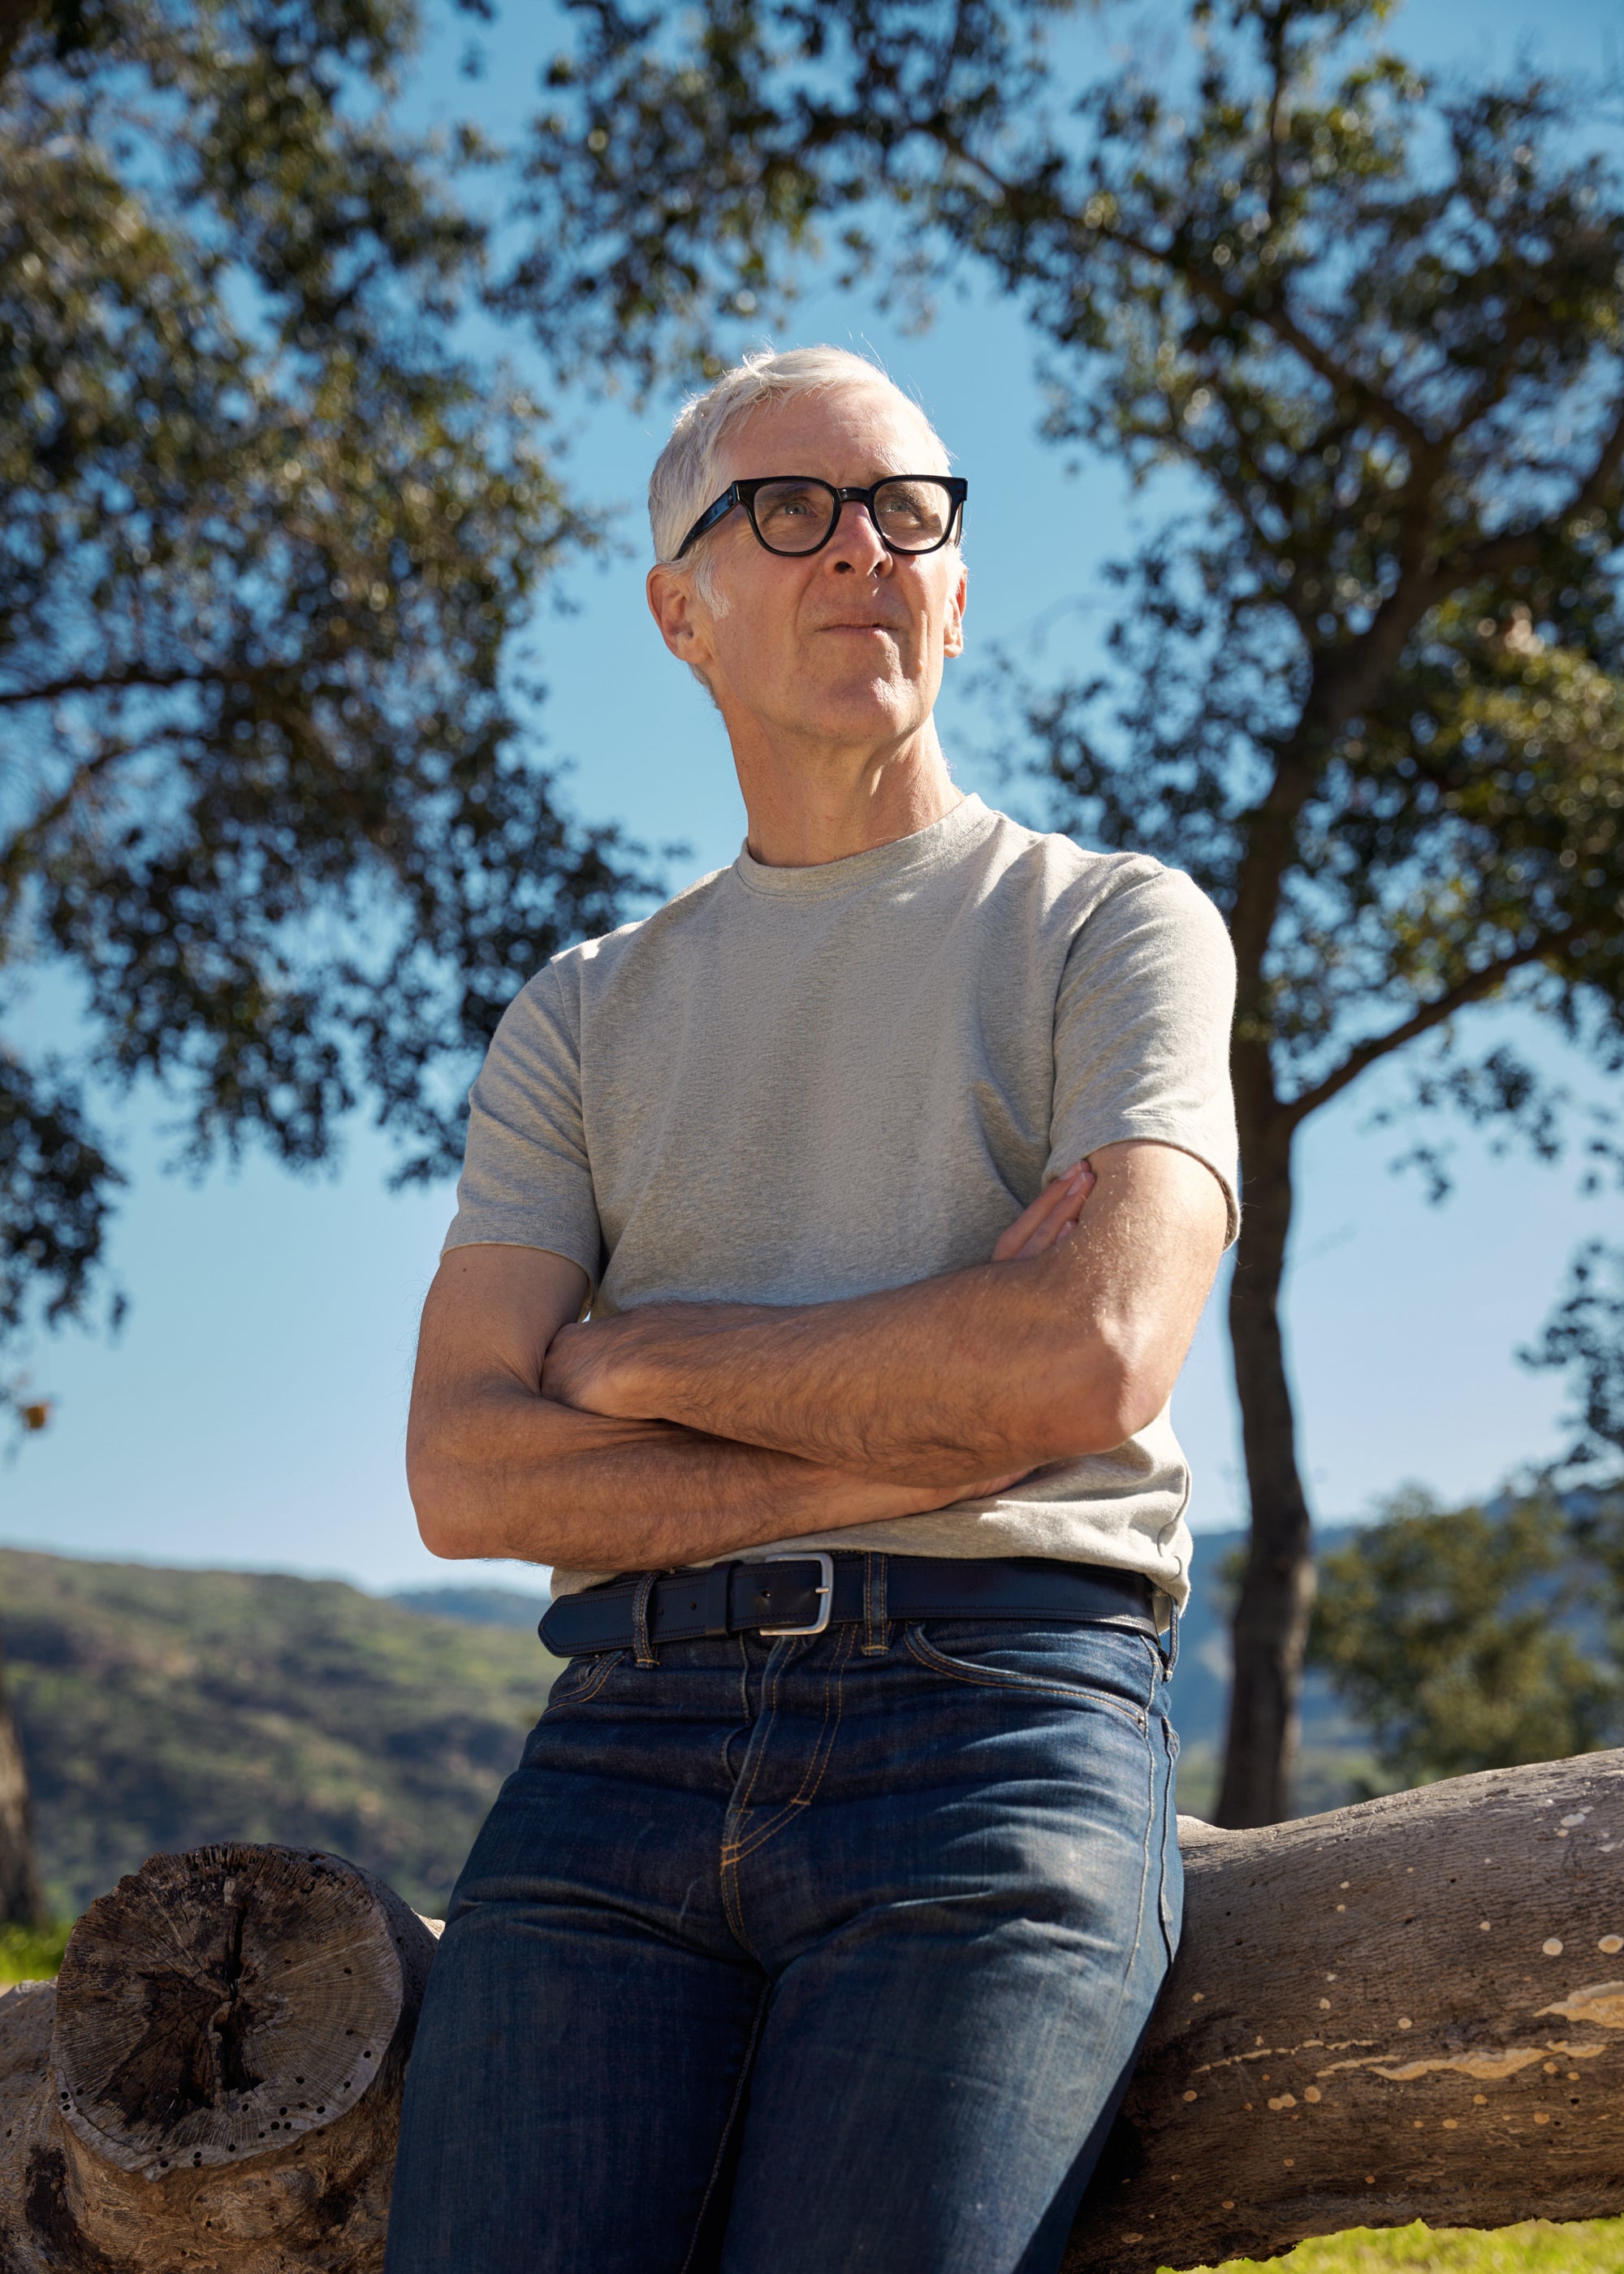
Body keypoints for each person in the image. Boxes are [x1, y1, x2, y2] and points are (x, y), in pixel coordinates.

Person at [384, 345, 1237, 2274]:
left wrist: (643, 1363)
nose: (861, 546)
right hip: (617, 1746)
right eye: (792, 509)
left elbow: (1090, 1355)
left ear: (954, 580)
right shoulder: (581, 1015)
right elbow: (462, 1466)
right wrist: (924, 1411)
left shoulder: (1113, 926)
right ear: (680, 608)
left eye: (907, 510)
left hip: (1001, 1726)